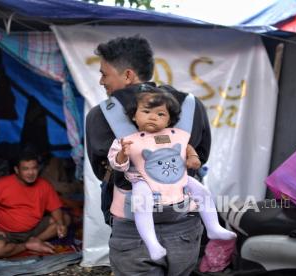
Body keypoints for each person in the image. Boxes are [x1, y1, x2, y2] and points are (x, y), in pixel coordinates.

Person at [85, 35, 211, 275]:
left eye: (104, 74)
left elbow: (103, 171)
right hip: (184, 227)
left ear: (128, 75)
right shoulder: (191, 105)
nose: (101, 81)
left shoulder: (100, 116)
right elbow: (200, 156)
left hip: (133, 230)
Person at [108, 86, 236, 261]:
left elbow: (187, 147)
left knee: (202, 191)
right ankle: (152, 243)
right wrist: (123, 153)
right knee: (141, 201)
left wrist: (193, 157)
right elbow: (117, 165)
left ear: (169, 120)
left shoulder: (176, 135)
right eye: (146, 111)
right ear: (133, 115)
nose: (153, 116)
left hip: (178, 178)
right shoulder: (126, 140)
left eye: (161, 114)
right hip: (143, 181)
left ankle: (213, 227)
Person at [0, 150, 71, 258]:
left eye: (34, 168)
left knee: (65, 219)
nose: (31, 173)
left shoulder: (44, 185)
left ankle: (36, 240)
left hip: (35, 229)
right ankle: (27, 245)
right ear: (16, 170)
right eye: (25, 169)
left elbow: (55, 207)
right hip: (7, 232)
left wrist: (60, 223)